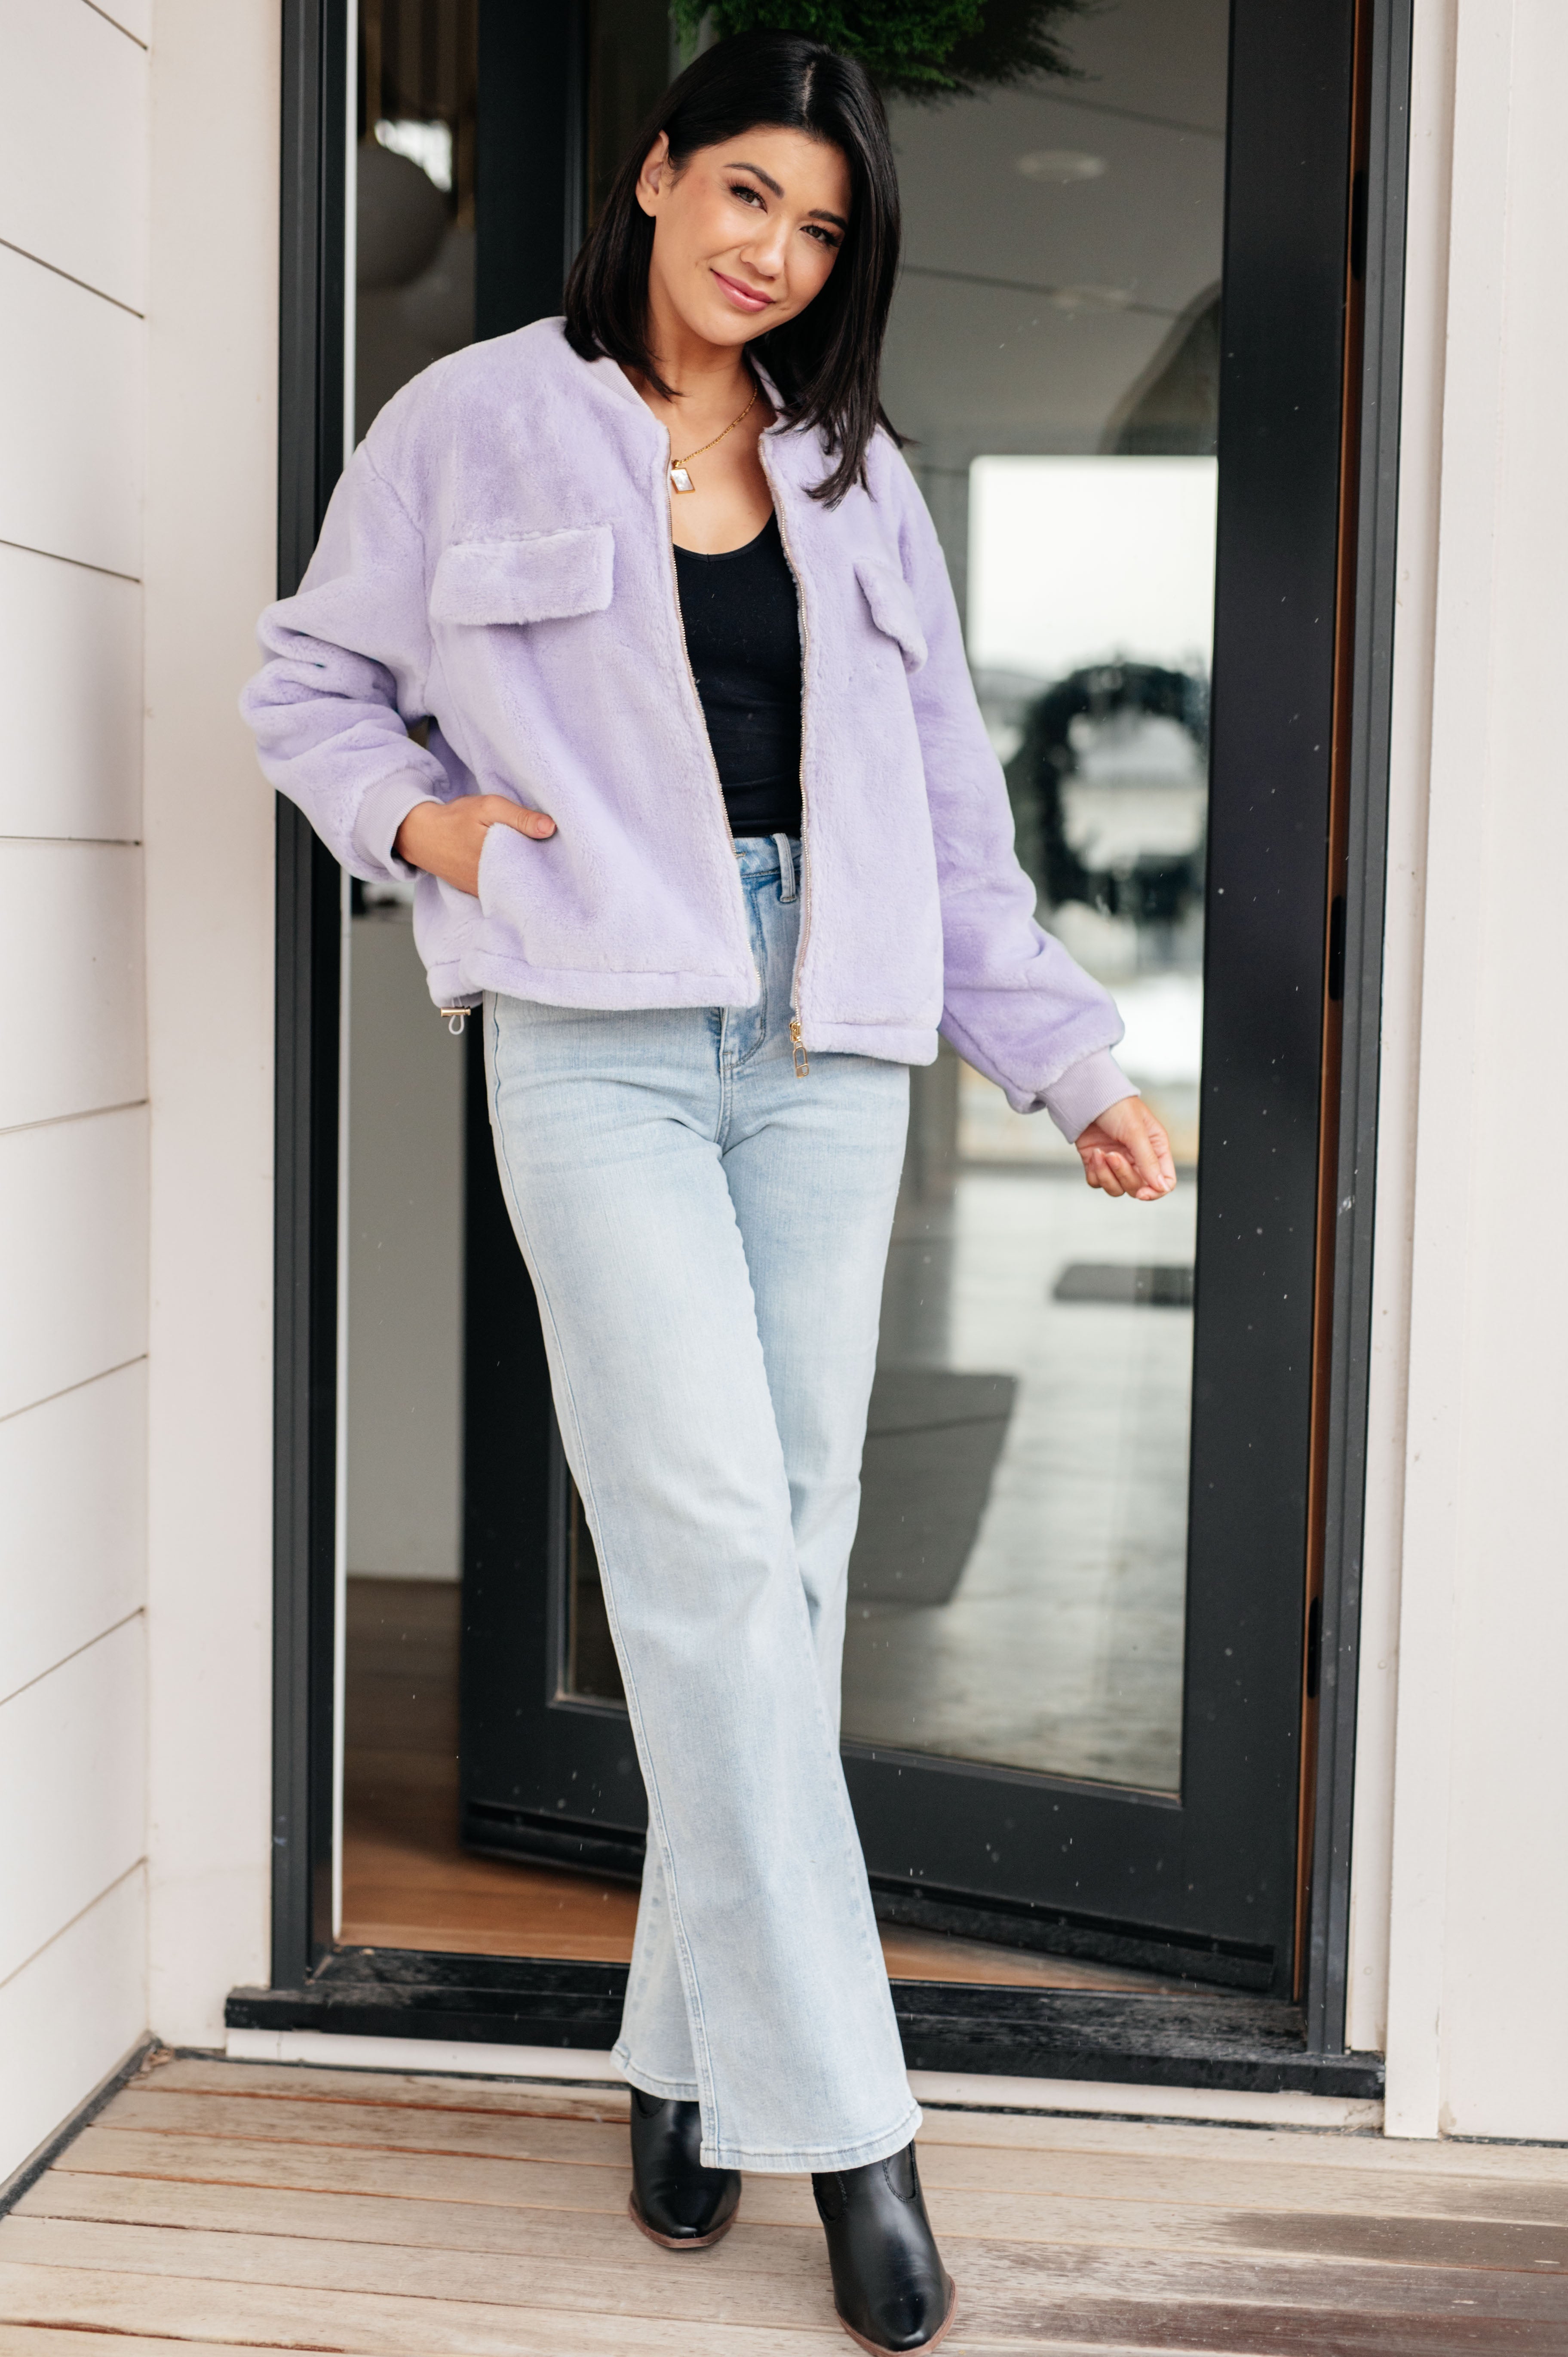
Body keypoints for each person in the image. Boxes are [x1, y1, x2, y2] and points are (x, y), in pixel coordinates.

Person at [243, 31, 1174, 2354]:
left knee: (782, 1552)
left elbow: (953, 809)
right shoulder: (471, 417)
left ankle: (684, 2046)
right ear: (655, 177)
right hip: (599, 1037)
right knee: (697, 1544)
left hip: (830, 1036)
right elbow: (312, 679)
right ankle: (859, 2128)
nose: (773, 251)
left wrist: (1066, 1061)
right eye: (744, 192)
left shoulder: (858, 474)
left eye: (821, 225)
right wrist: (428, 826)